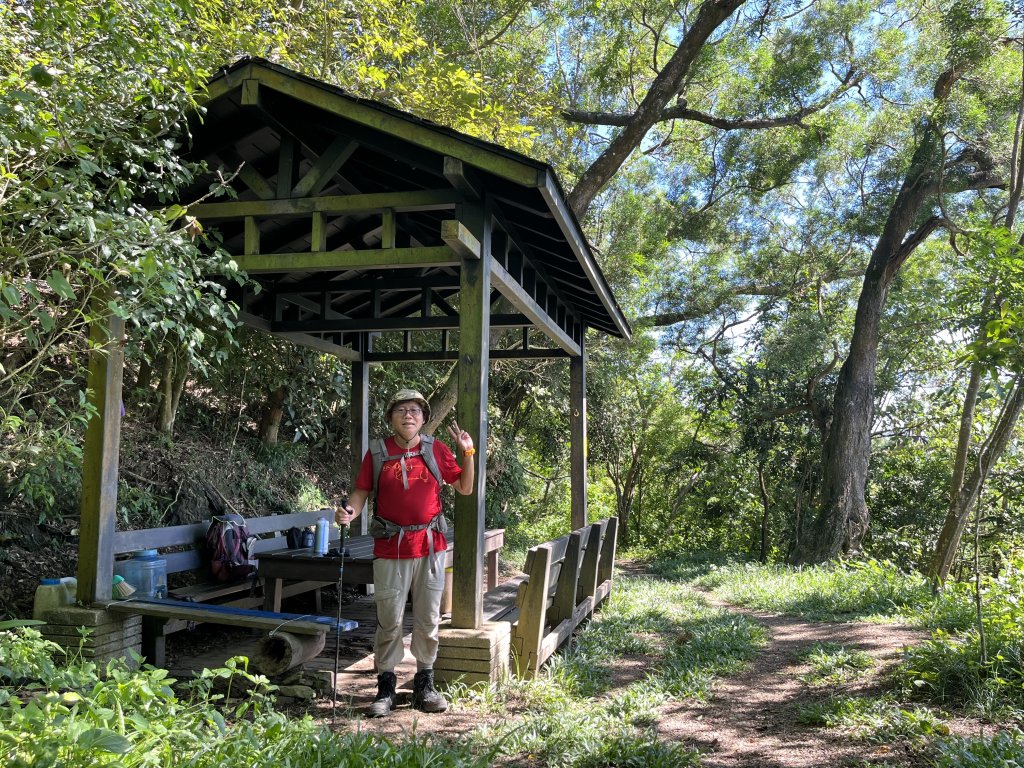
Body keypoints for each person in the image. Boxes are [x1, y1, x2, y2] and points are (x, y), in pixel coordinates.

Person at [335, 388, 475, 717]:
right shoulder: (378, 452)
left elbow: (465, 488)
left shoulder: (436, 450)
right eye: (401, 410)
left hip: (430, 547)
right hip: (389, 548)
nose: (408, 415)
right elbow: (360, 493)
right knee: (389, 620)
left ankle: (424, 684)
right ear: (391, 418)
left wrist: (467, 453)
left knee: (428, 618)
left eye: (415, 410)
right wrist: (348, 513)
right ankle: (386, 686)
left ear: (424, 418)